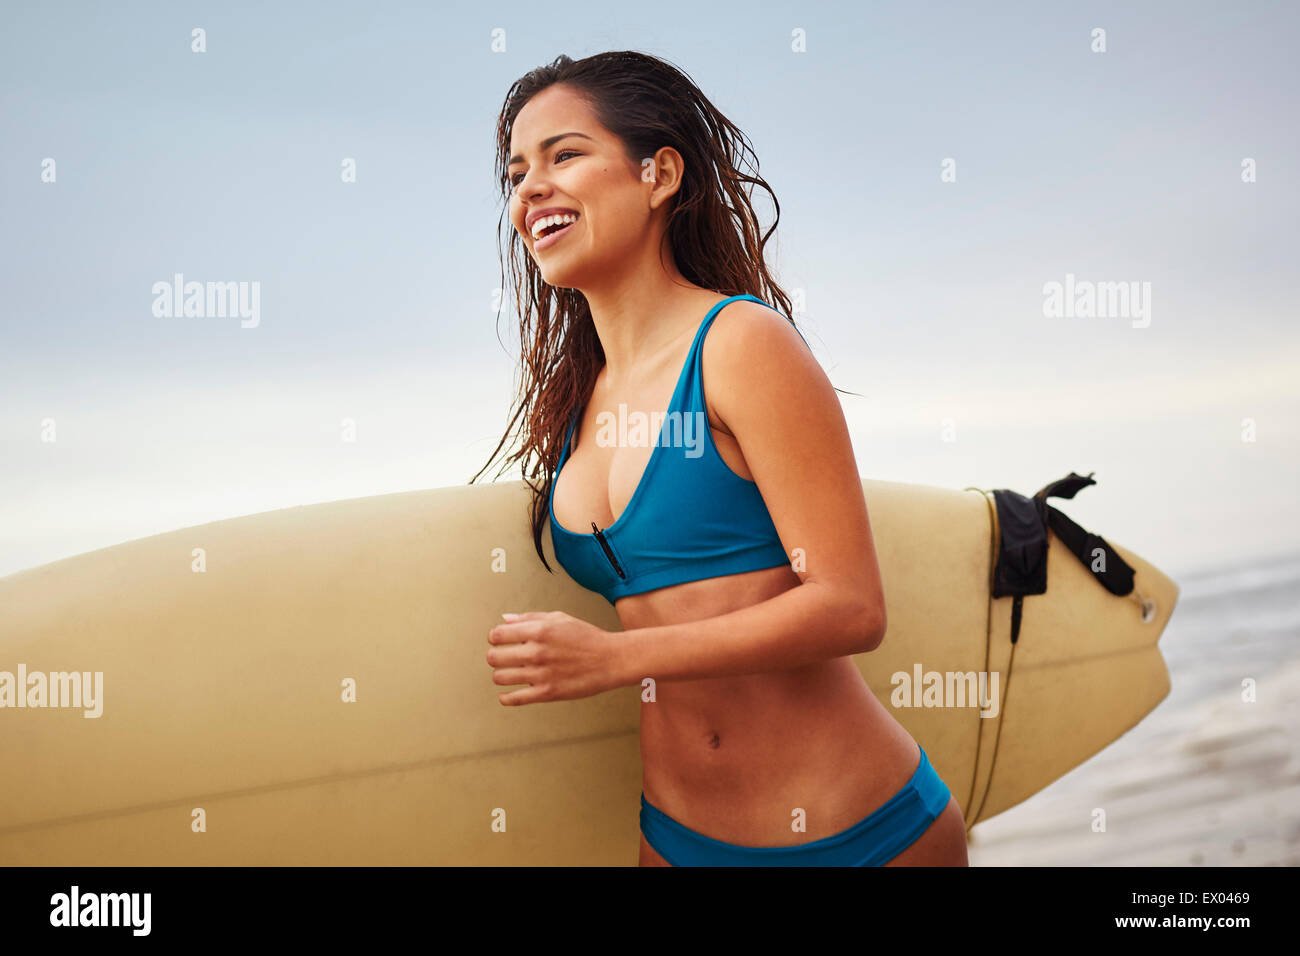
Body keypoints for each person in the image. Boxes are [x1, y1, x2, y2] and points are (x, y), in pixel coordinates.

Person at [474, 51, 968, 867]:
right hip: (676, 838)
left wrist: (611, 659)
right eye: (517, 171)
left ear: (659, 174)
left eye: (565, 155)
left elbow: (851, 606)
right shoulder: (575, 402)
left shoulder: (740, 345)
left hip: (859, 836)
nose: (529, 189)